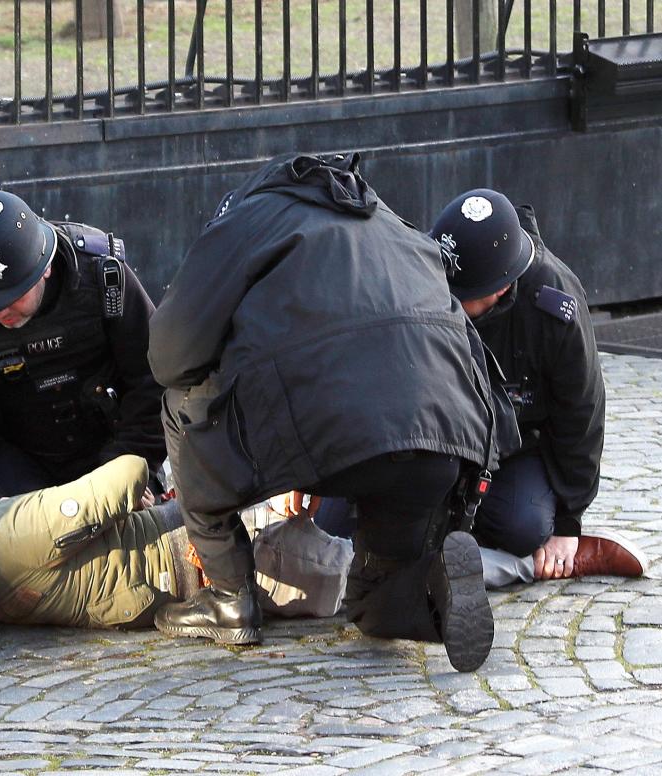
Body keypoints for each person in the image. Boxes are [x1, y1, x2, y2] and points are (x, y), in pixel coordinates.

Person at [146, 153, 516, 673]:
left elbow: (170, 355)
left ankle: (230, 600)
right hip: (443, 441)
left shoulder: (245, 220)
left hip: (326, 433)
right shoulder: (396, 224)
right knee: (371, 604)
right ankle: (431, 595)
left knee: (179, 404)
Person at [427, 189, 646, 586]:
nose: (448, 302)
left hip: (516, 446)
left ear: (498, 287)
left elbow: (582, 412)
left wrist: (568, 524)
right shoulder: (430, 280)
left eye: (461, 296)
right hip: (441, 435)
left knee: (524, 527)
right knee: (343, 521)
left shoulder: (554, 307)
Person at [0, 190, 166, 521]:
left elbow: (155, 383)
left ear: (45, 269)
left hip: (112, 451)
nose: (0, 311)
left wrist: (126, 472)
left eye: (12, 296)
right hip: (11, 473)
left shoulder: (103, 279)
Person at [0, 455, 351, 629]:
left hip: (228, 551)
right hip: (207, 574)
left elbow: (129, 471)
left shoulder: (9, 538)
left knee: (367, 584)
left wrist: (133, 505)